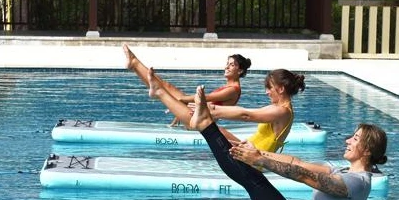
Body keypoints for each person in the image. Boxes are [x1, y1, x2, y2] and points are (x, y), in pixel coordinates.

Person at [188, 85, 386, 200]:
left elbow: (305, 176)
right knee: (252, 176)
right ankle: (206, 126)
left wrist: (260, 160)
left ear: (367, 150)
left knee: (256, 181)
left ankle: (206, 126)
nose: (348, 140)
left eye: (355, 138)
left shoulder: (358, 183)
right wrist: (257, 152)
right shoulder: (343, 171)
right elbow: (296, 162)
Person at [131, 46, 306, 152]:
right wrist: (208, 109)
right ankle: (142, 73)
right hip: (248, 150)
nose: (267, 93)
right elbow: (248, 113)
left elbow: (247, 115)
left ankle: (157, 90)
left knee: (204, 122)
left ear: (281, 89)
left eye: (270, 88)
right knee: (215, 128)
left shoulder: (281, 111)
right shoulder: (280, 108)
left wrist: (208, 109)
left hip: (253, 161)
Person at [123, 44, 251, 126]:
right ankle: (134, 64)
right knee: (165, 86)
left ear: (239, 71)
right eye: (227, 63)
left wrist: (179, 101)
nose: (227, 67)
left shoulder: (233, 90)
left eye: (232, 65)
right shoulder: (230, 87)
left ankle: (135, 64)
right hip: (196, 114)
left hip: (199, 122)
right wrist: (181, 104)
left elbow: (205, 98)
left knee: (163, 89)